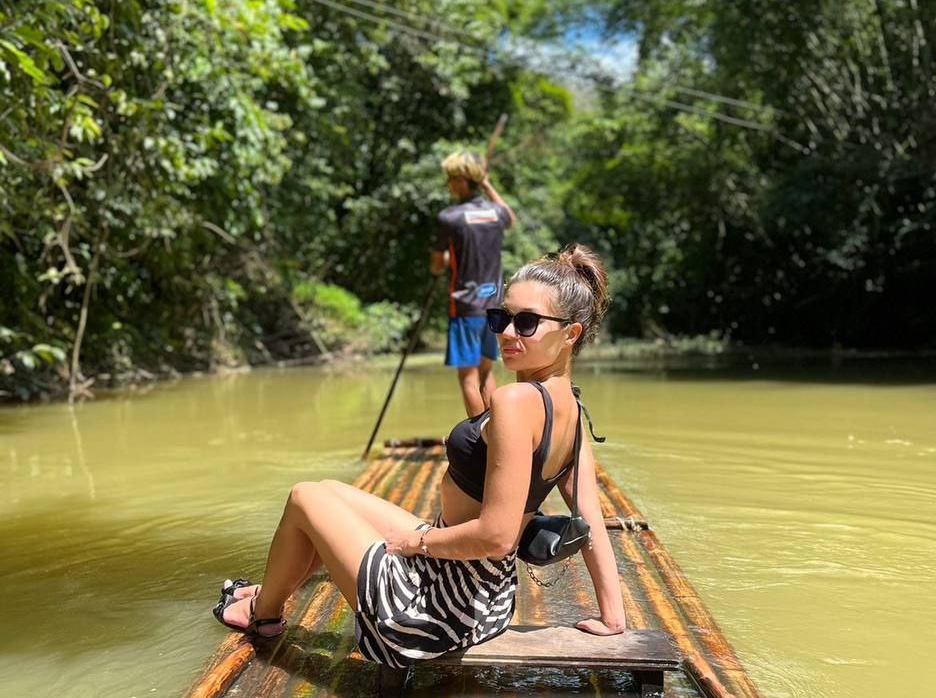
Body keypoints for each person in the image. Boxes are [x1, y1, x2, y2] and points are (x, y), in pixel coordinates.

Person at [212, 244, 626, 658]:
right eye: (501, 317)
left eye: (527, 322)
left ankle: (262, 613)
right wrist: (613, 615)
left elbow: (497, 537)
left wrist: (418, 541)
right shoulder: (569, 404)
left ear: (570, 333)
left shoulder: (517, 402)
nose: (506, 332)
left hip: (431, 611)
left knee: (305, 495)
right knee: (330, 492)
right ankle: (271, 592)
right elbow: (588, 515)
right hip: (488, 599)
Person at [430, 150, 516, 419]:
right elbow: (510, 217)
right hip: (495, 305)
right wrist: (488, 184)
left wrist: (443, 260)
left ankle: (478, 443)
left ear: (463, 181)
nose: (448, 185)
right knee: (485, 372)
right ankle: (497, 434)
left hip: (466, 306)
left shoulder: (450, 217)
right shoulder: (495, 214)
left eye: (451, 179)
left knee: (468, 377)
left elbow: (436, 264)